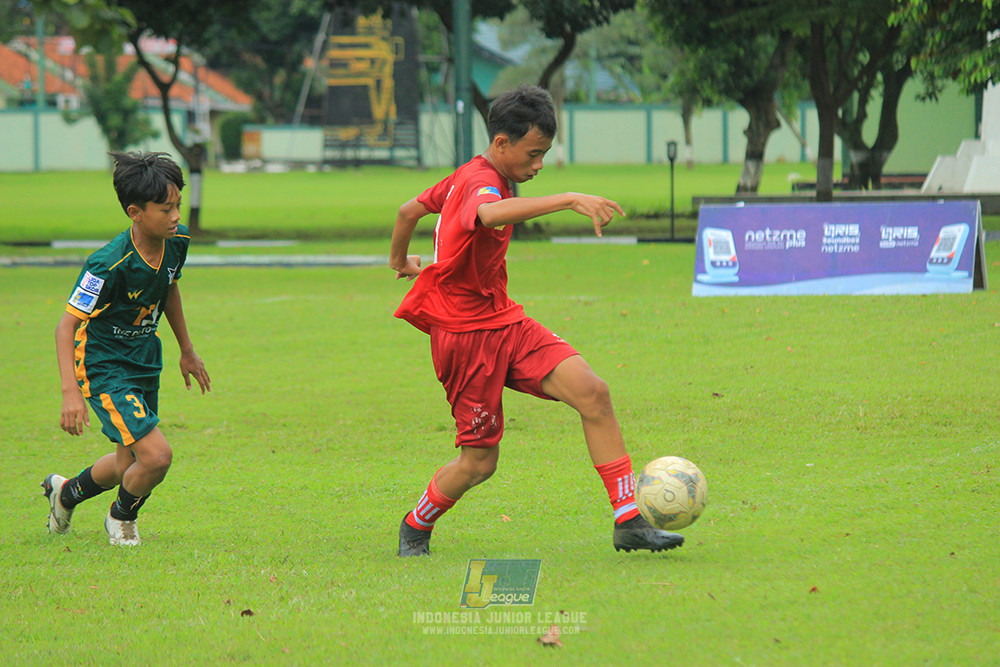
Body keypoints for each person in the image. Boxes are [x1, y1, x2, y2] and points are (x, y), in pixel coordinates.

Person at [390, 85, 683, 557]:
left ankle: (628, 520)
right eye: (534, 153)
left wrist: (400, 262)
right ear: (502, 144)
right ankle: (415, 525)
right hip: (465, 339)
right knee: (480, 462)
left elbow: (409, 211)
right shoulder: (480, 182)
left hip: (503, 322)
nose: (539, 164)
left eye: (544, 153)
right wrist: (567, 198)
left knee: (594, 392)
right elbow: (489, 213)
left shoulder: (469, 173)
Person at [41, 151, 211, 547]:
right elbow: (66, 326)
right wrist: (71, 393)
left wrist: (187, 349)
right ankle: (121, 518)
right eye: (166, 208)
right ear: (135, 212)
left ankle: (64, 494)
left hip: (144, 359)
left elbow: (168, 286)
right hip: (103, 364)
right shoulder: (108, 264)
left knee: (127, 465)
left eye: (178, 205)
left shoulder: (177, 241)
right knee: (156, 457)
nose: (175, 216)